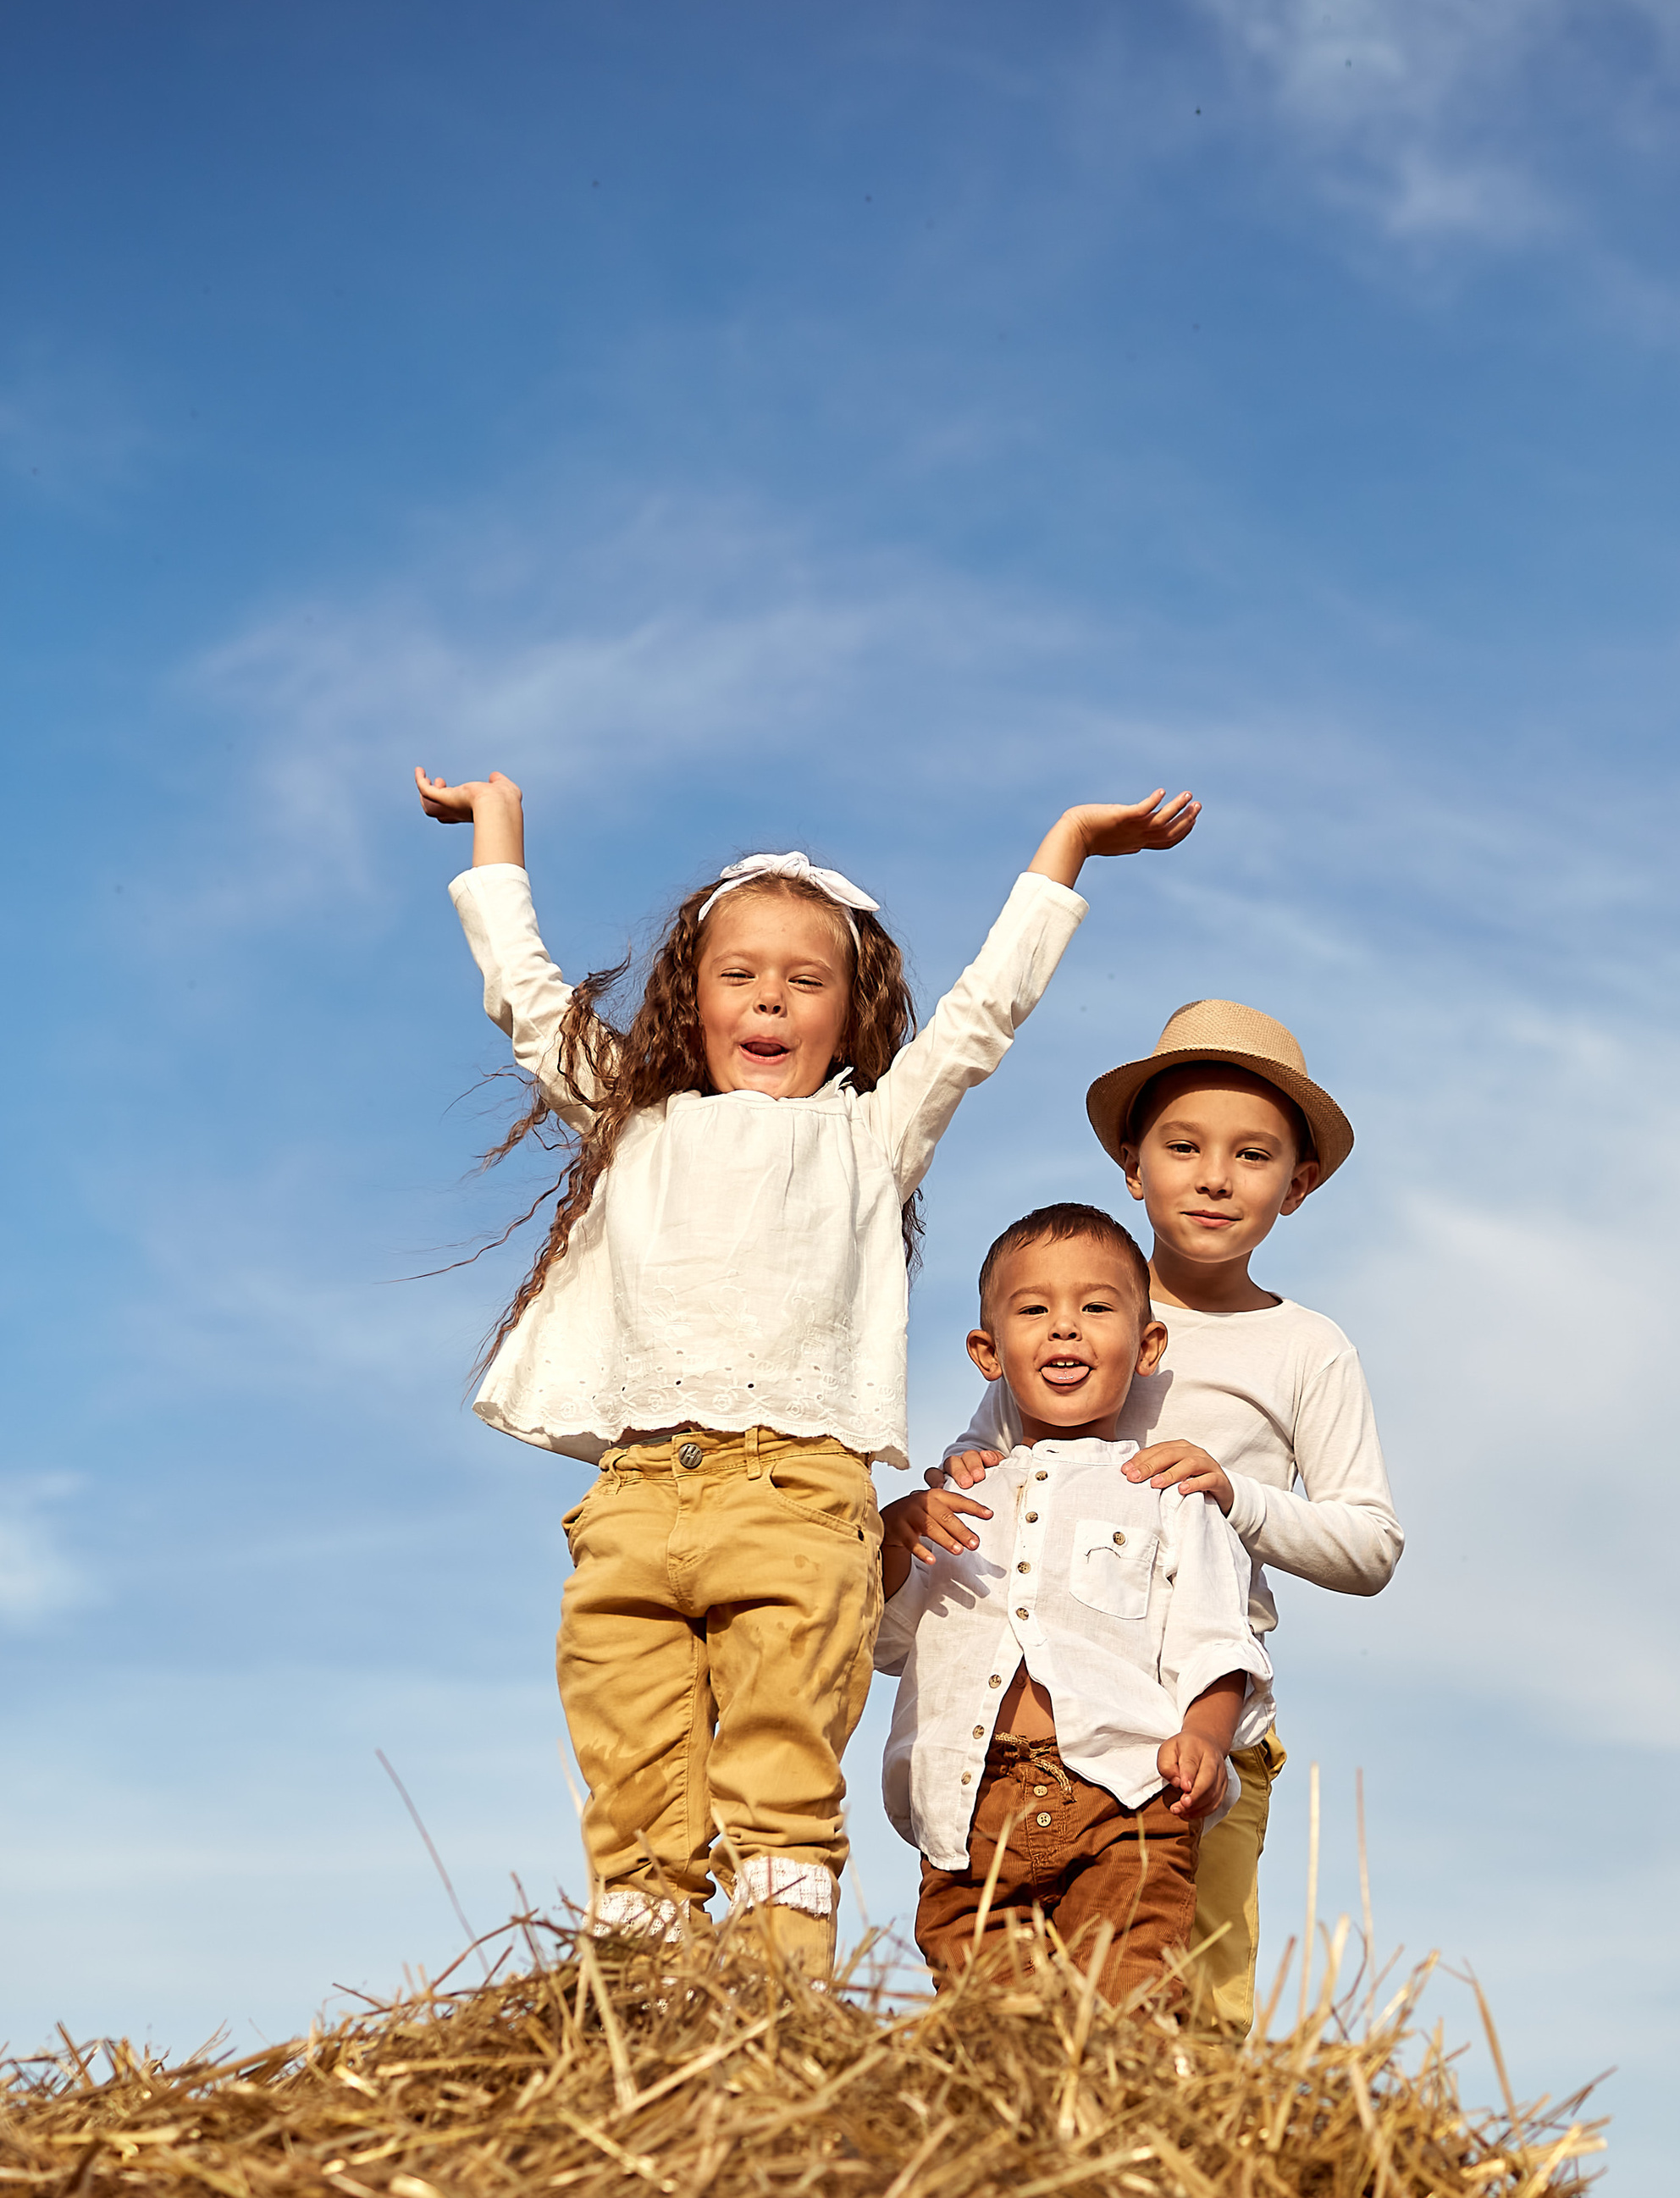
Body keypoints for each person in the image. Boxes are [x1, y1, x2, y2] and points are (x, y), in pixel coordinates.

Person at [415, 763, 1199, 1980]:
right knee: (632, 1791)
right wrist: (496, 835)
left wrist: (1066, 852)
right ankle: (642, 2024)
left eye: (805, 978)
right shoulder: (632, 1119)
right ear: (694, 997)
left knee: (779, 1777)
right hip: (633, 1502)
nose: (769, 998)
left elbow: (984, 1016)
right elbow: (524, 999)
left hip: (796, 1500)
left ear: (850, 1010)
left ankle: (780, 2017)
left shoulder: (868, 1134)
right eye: (740, 975)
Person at [892, 999, 1398, 2034]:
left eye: (1253, 1155)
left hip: (1195, 1717)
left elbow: (1369, 1544)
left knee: (1185, 1987)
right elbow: (992, 1473)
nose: (1214, 1176)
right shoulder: (1075, 1305)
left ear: (1296, 1185)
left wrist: (1233, 1494)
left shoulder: (1304, 1347)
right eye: (1183, 1147)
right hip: (1046, 1726)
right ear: (1134, 1167)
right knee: (1021, 2001)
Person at [877, 1204, 1270, 2006]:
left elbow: (1216, 1639)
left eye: (1096, 1308)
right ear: (988, 1352)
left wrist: (1204, 1733)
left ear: (1148, 1344)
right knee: (997, 2034)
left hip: (1125, 1798)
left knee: (1126, 2011)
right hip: (967, 1811)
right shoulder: (956, 1498)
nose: (1065, 1331)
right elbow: (885, 1644)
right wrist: (891, 1539)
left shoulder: (1164, 1494)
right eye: (1034, 1311)